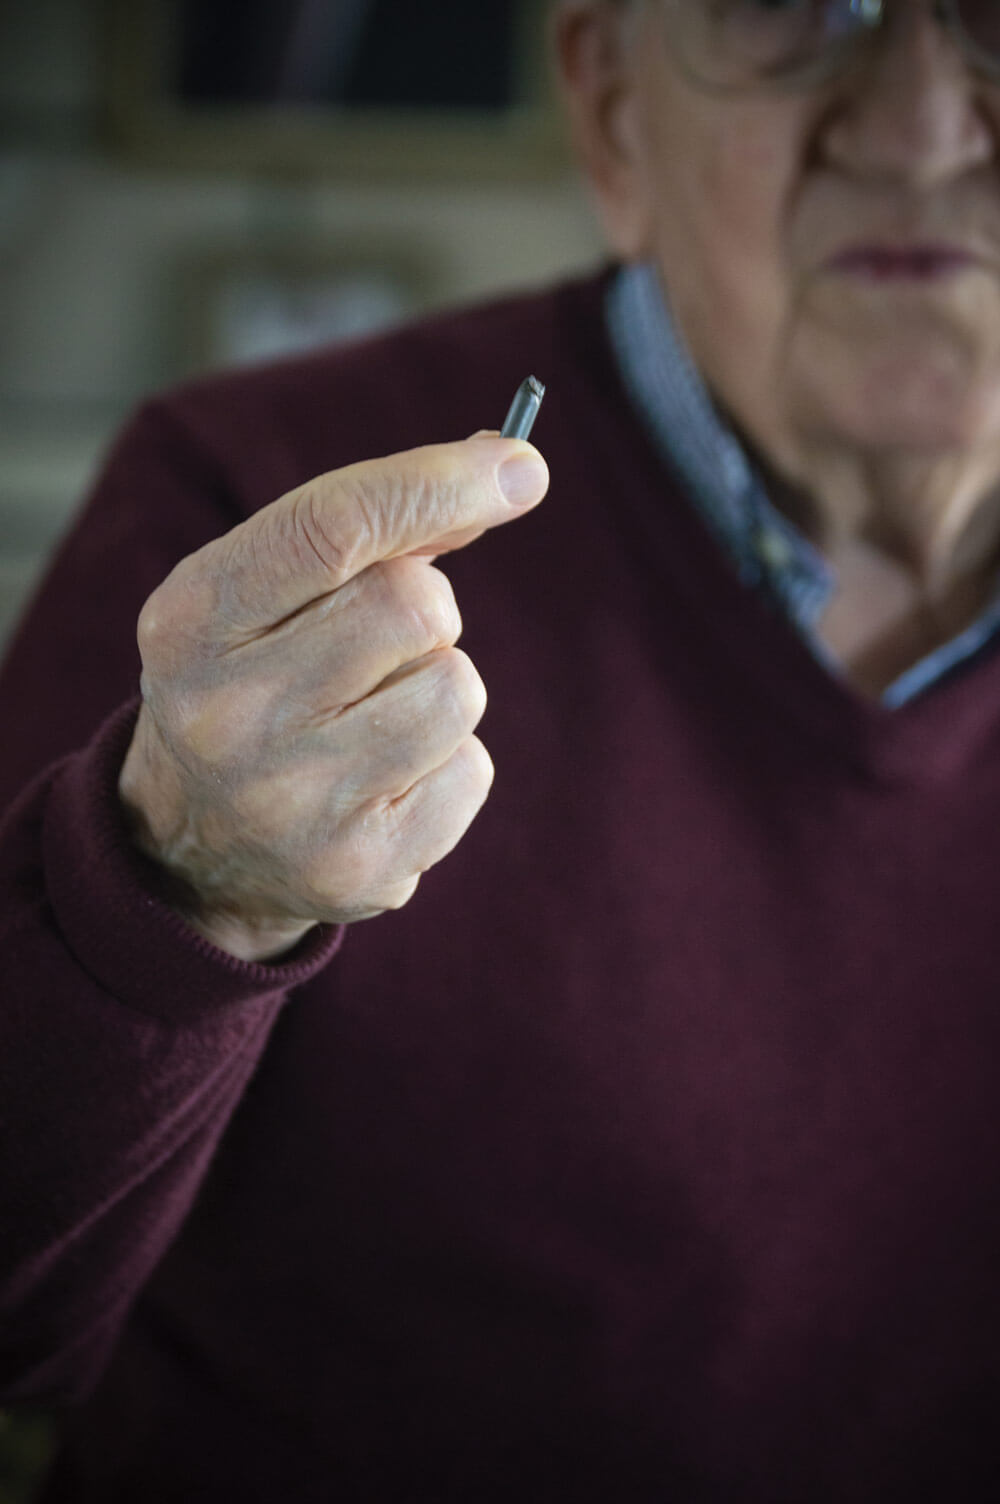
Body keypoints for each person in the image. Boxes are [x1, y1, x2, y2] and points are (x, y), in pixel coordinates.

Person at [4, 0, 1000, 1496]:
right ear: (610, 105)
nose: (918, 128)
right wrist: (175, 886)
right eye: (800, 7)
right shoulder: (243, 530)